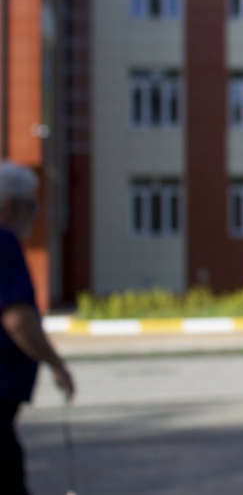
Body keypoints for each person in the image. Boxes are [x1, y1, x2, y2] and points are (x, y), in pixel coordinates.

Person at [0, 162, 75, 494]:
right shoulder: (3, 242)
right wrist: (56, 363)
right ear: (8, 206)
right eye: (31, 206)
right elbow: (17, 318)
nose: (34, 214)